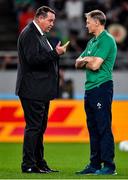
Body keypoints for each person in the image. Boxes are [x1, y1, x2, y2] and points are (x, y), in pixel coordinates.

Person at [15, 6, 69, 173]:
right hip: (32, 90)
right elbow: (33, 60)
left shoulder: (38, 34)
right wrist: (55, 53)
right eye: (50, 20)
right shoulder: (30, 33)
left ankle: (39, 163)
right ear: (39, 18)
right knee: (34, 127)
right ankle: (29, 164)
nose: (52, 23)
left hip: (39, 90)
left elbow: (40, 59)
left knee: (39, 128)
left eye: (53, 20)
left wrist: (54, 55)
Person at [75, 10, 117, 175]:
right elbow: (77, 63)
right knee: (92, 128)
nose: (86, 25)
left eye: (88, 21)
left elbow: (95, 66)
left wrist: (87, 60)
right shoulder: (92, 42)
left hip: (101, 88)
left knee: (103, 127)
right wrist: (87, 59)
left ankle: (109, 166)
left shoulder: (106, 40)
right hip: (90, 89)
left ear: (97, 22)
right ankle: (94, 164)